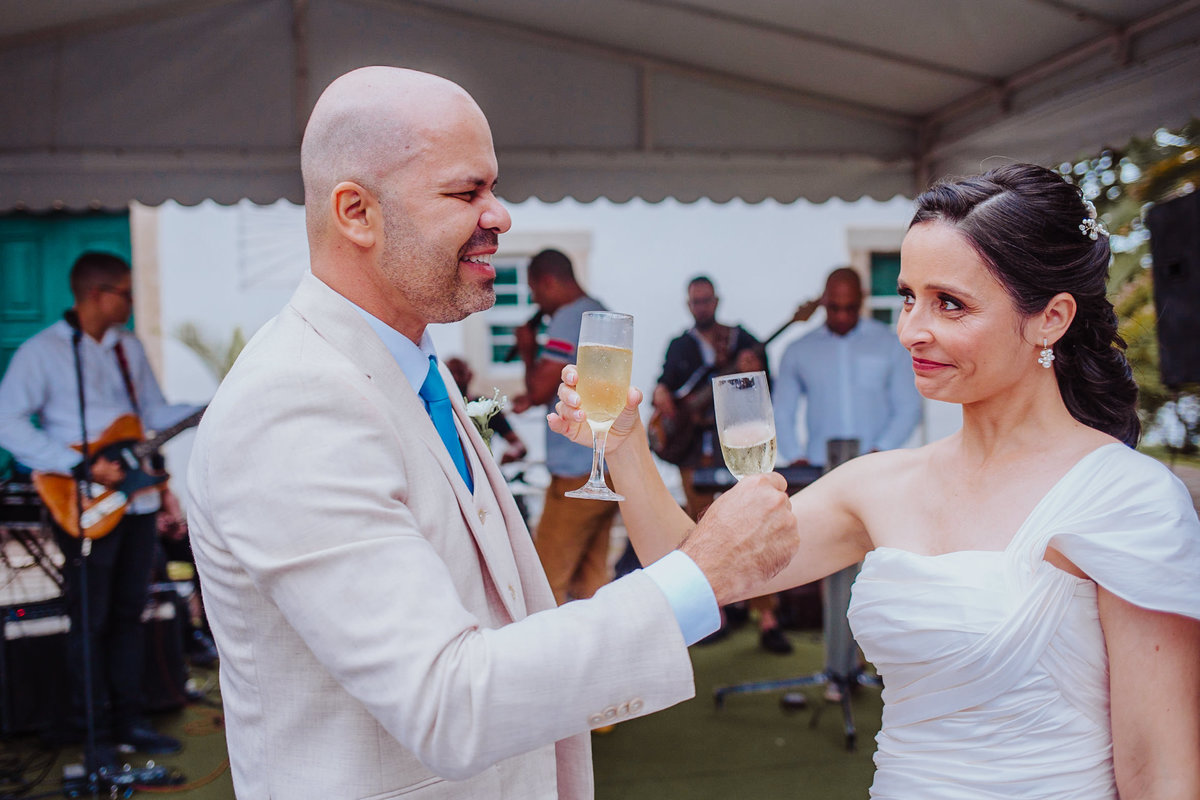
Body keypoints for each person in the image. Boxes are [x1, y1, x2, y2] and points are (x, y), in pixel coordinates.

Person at [185, 66, 799, 800]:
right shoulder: (292, 401)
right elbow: (448, 702)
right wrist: (701, 576)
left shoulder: (414, 364)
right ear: (356, 213)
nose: (501, 216)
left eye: (493, 189)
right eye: (466, 192)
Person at [552, 163, 1200, 799]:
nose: (912, 331)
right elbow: (694, 571)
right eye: (909, 297)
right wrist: (627, 445)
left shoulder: (1125, 499)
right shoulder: (877, 484)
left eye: (951, 304)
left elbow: (1161, 773)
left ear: (1051, 319)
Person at [0, 251, 203, 757]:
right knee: (90, 618)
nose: (132, 304)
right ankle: (90, 723)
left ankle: (130, 719)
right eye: (125, 294)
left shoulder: (127, 349)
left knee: (129, 613)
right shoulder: (42, 352)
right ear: (96, 294)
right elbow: (7, 421)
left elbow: (153, 413)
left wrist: (213, 405)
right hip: (82, 500)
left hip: (134, 502)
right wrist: (79, 467)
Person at [774, 266, 922, 698]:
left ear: (860, 300)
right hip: (824, 472)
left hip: (879, 469)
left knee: (881, 567)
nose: (840, 315)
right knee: (833, 565)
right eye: (833, 307)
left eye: (849, 306)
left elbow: (908, 406)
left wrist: (882, 449)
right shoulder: (800, 350)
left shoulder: (890, 343)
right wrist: (792, 452)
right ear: (823, 301)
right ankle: (836, 668)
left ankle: (874, 665)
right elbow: (783, 406)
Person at [510, 249, 618, 606]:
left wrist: (528, 350)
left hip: (576, 471)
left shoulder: (568, 318)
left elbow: (540, 387)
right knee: (592, 582)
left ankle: (546, 661)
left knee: (545, 579)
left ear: (549, 282)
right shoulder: (599, 311)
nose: (535, 300)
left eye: (534, 292)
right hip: (607, 464)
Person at [445, 356, 528, 465]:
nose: (456, 378)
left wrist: (513, 452)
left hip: (481, 472)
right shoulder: (435, 409)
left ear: (470, 375)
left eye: (460, 373)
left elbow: (518, 444)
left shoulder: (486, 407)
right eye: (450, 374)